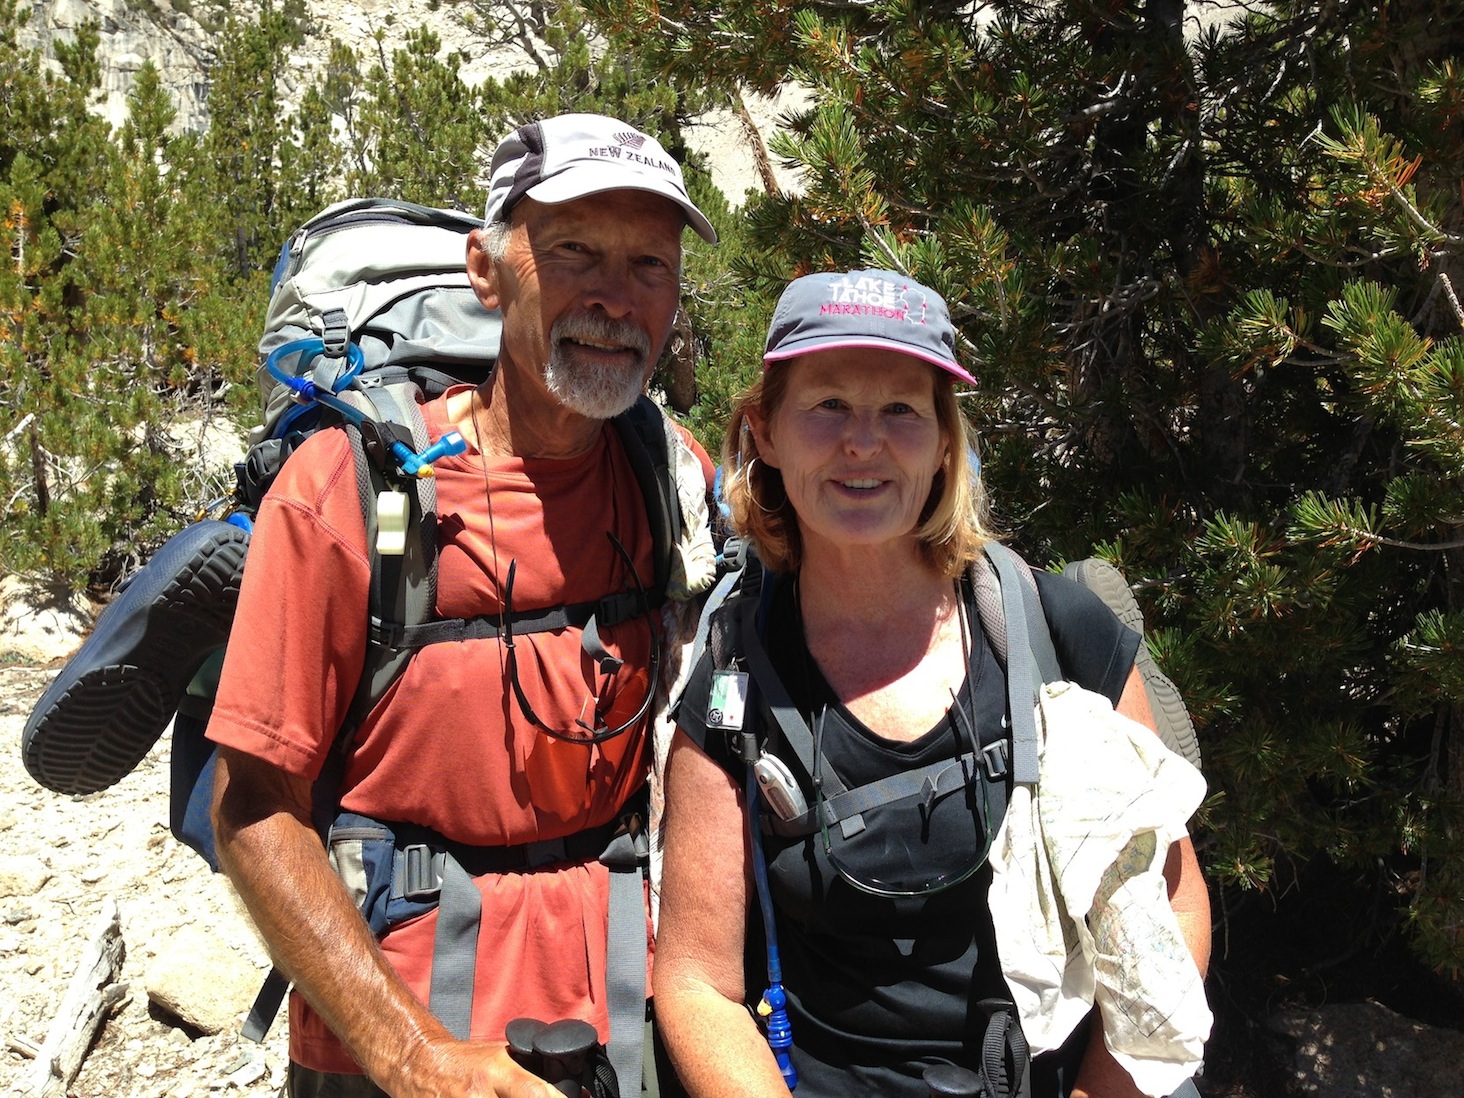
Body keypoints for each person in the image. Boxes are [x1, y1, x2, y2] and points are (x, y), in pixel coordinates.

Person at [207, 113, 717, 1098]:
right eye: (574, 252)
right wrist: (414, 1060)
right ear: (486, 270)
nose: (616, 300)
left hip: (616, 1016)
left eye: (649, 266)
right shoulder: (347, 490)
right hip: (387, 1044)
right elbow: (253, 806)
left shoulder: (675, 479)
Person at [653, 270, 1212, 1098]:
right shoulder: (739, 673)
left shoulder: (1055, 632)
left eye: (902, 411)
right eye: (829, 405)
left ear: (946, 439)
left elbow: (1173, 911)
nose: (863, 443)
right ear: (765, 431)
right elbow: (698, 981)